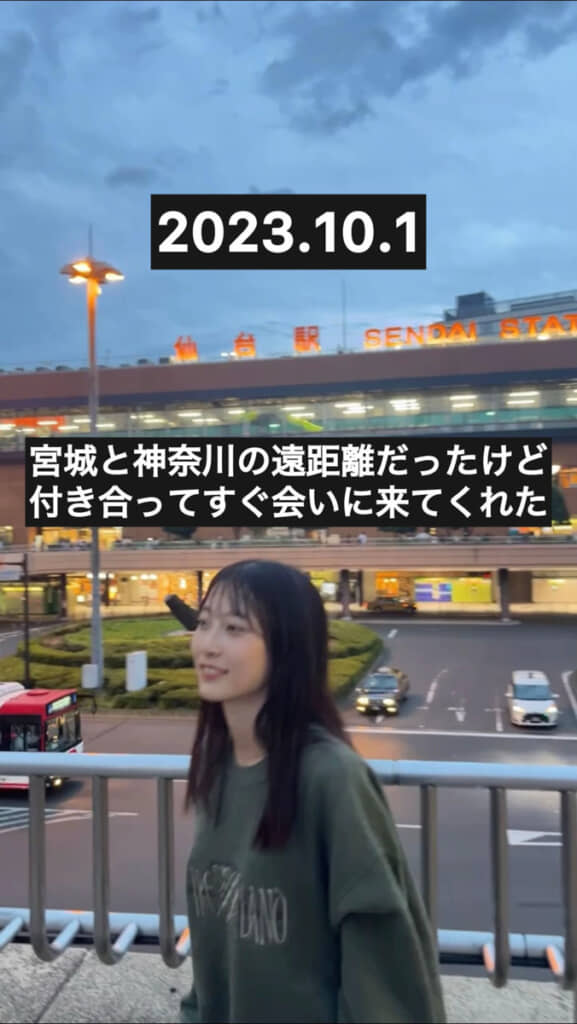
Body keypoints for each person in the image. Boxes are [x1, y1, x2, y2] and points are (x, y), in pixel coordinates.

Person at [180, 559, 446, 1024]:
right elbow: (215, 952)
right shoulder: (218, 769)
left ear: (288, 647)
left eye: (234, 628)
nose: (208, 644)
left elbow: (385, 962)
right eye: (204, 623)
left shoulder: (331, 776)